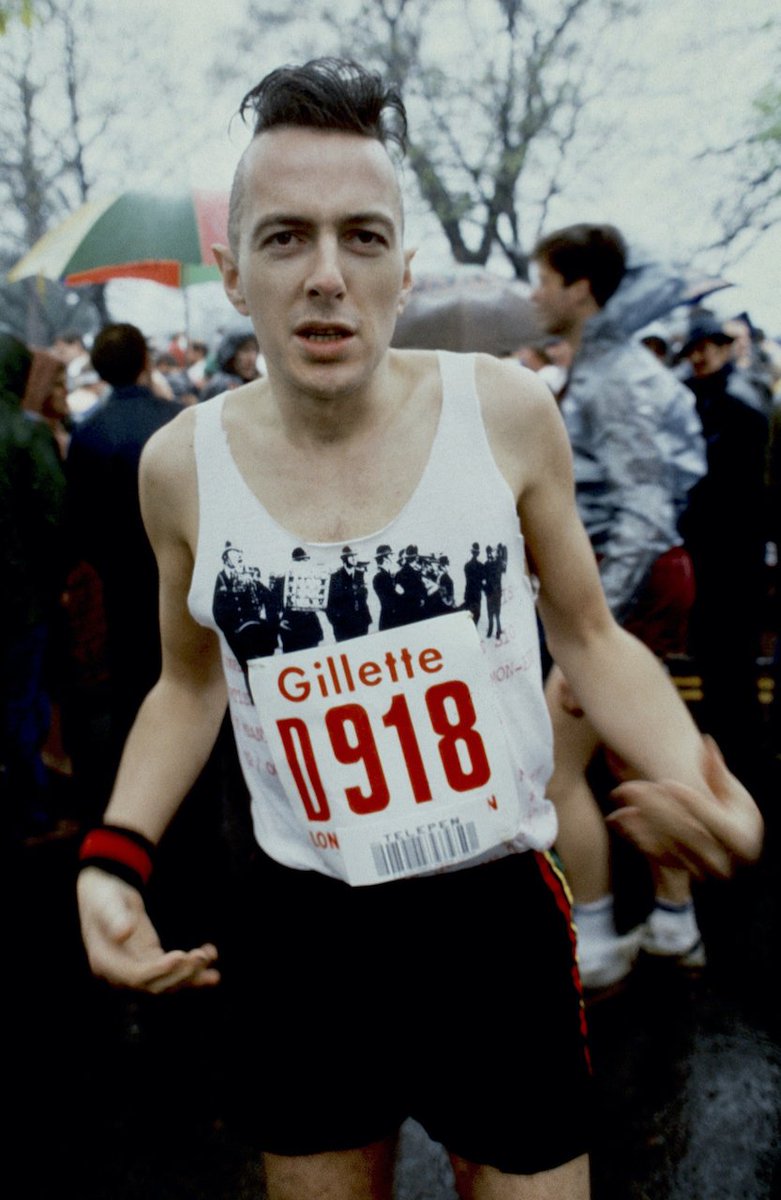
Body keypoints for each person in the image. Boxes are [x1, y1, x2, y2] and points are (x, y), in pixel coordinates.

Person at [77, 59, 762, 1200]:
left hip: (490, 919)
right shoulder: (179, 467)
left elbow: (588, 635)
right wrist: (114, 858)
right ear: (234, 275)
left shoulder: (504, 412)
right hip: (301, 931)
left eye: (362, 237)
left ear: (403, 269)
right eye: (286, 238)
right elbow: (188, 686)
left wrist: (696, 776)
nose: (326, 276)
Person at [530, 223, 710, 991]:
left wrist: (593, 634)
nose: (533, 295)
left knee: (553, 768)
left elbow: (643, 511)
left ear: (579, 289)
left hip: (623, 581)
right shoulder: (607, 366)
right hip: (631, 579)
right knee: (635, 756)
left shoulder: (612, 376)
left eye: (542, 280)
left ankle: (599, 934)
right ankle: (671, 920)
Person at [65, 323, 185, 774]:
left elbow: (80, 518)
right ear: (145, 361)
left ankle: (142, 758)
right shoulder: (179, 418)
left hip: (119, 572)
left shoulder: (88, 432)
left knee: (134, 670)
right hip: (183, 563)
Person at [677, 315, 770, 778]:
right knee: (717, 655)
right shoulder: (689, 400)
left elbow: (750, 484)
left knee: (733, 657)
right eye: (696, 348)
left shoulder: (743, 401)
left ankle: (742, 755)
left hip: (735, 546)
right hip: (709, 545)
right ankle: (728, 748)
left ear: (725, 348)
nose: (702, 356)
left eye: (710, 346)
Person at [1, 333, 67, 840]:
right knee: (23, 700)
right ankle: (35, 813)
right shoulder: (27, 433)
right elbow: (54, 518)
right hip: (22, 597)